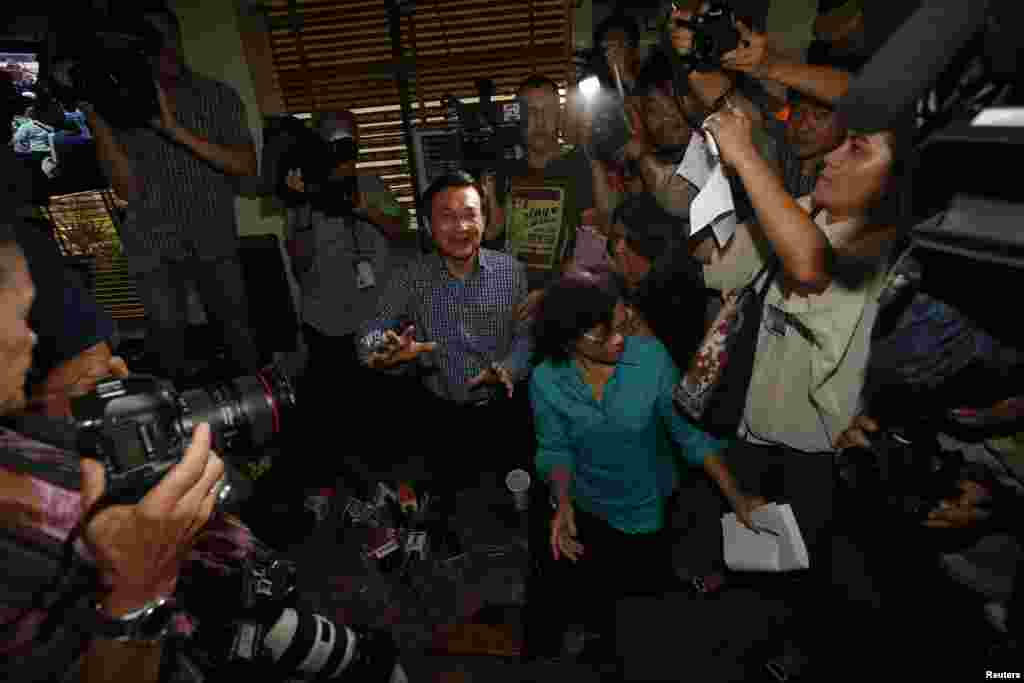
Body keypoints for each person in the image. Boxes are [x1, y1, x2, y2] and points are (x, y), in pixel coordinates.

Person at [692, 92, 911, 676]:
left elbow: (810, 269)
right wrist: (712, 192)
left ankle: (803, 650)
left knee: (814, 569)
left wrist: (744, 153)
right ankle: (759, 630)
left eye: (857, 148)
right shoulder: (806, 209)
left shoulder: (879, 253)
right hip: (758, 417)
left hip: (818, 444)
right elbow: (720, 264)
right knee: (755, 542)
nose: (834, 155)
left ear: (895, 182)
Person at [525, 271, 763, 672]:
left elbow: (689, 435)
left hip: (648, 511)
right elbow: (554, 448)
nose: (620, 340)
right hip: (587, 508)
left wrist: (735, 497)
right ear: (569, 342)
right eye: (603, 337)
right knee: (596, 593)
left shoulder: (650, 359)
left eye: (622, 324)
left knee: (641, 605)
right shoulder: (546, 379)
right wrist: (563, 500)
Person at [358, 171, 533, 551]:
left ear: (485, 221)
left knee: (515, 491)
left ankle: (520, 543)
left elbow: (527, 336)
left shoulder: (512, 272)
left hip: (504, 406)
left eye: (470, 214)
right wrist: (384, 348)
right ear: (427, 225)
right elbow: (369, 333)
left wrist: (511, 367)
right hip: (441, 411)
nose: (461, 227)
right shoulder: (410, 276)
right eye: (447, 216)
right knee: (448, 494)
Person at [86, 7, 261, 383]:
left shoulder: (216, 96)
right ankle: (178, 431)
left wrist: (175, 130)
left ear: (176, 39)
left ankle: (259, 418)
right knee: (169, 347)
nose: (157, 50)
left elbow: (247, 169)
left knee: (238, 335)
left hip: (213, 235)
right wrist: (96, 115)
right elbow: (125, 189)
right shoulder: (118, 105)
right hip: (152, 246)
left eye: (162, 39)